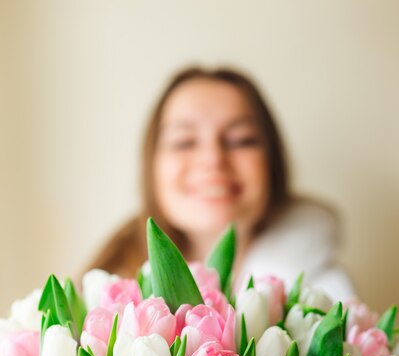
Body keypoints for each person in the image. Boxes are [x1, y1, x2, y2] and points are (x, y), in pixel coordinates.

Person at [87, 66, 354, 300]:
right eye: (184, 142)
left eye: (241, 140)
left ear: (272, 163)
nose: (213, 159)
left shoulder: (327, 298)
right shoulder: (100, 292)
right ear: (151, 166)